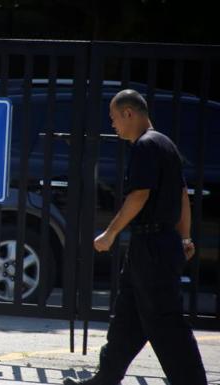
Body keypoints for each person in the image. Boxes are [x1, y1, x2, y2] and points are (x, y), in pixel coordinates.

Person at [63, 90, 207, 385]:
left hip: (153, 246)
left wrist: (110, 233)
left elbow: (139, 196)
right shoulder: (165, 144)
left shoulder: (145, 146)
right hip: (153, 246)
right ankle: (106, 377)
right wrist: (185, 237)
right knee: (127, 316)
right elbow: (182, 196)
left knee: (166, 322)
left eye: (114, 118)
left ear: (129, 113)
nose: (113, 126)